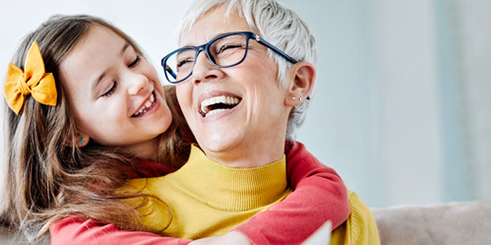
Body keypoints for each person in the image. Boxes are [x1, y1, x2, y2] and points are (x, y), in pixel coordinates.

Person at [0, 13, 350, 244]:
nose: (138, 82)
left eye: (133, 59)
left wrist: (246, 239)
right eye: (109, 88)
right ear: (72, 133)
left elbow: (328, 190)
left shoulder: (199, 113)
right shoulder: (91, 209)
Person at [113, 0, 381, 244]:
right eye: (184, 61)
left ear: (297, 83)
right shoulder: (126, 210)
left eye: (229, 47)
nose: (200, 71)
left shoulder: (349, 220)